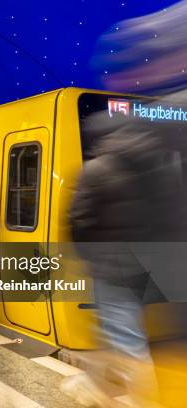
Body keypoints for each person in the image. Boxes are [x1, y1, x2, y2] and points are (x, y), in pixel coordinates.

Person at [66, 116, 186, 408]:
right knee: (113, 329)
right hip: (153, 267)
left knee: (126, 337)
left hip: (112, 268)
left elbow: (78, 221)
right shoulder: (160, 168)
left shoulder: (95, 169)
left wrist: (88, 257)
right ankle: (94, 384)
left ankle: (144, 400)